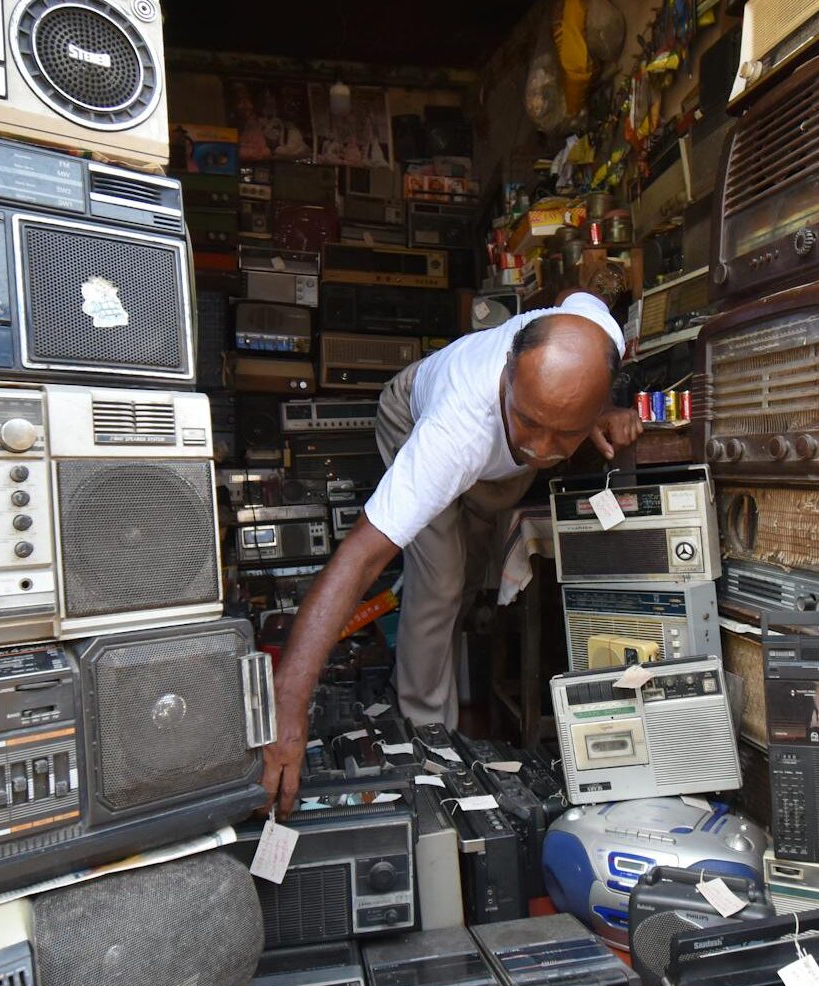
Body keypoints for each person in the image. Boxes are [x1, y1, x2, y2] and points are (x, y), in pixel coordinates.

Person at [260, 289, 642, 815]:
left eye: (566, 433)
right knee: (439, 579)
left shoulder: (599, 336)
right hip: (415, 414)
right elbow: (362, 555)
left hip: (494, 470)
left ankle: (431, 696)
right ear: (507, 372)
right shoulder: (456, 429)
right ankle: (424, 741)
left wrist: (605, 411)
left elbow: (575, 298)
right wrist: (289, 700)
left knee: (470, 582)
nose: (543, 449)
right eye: (531, 421)